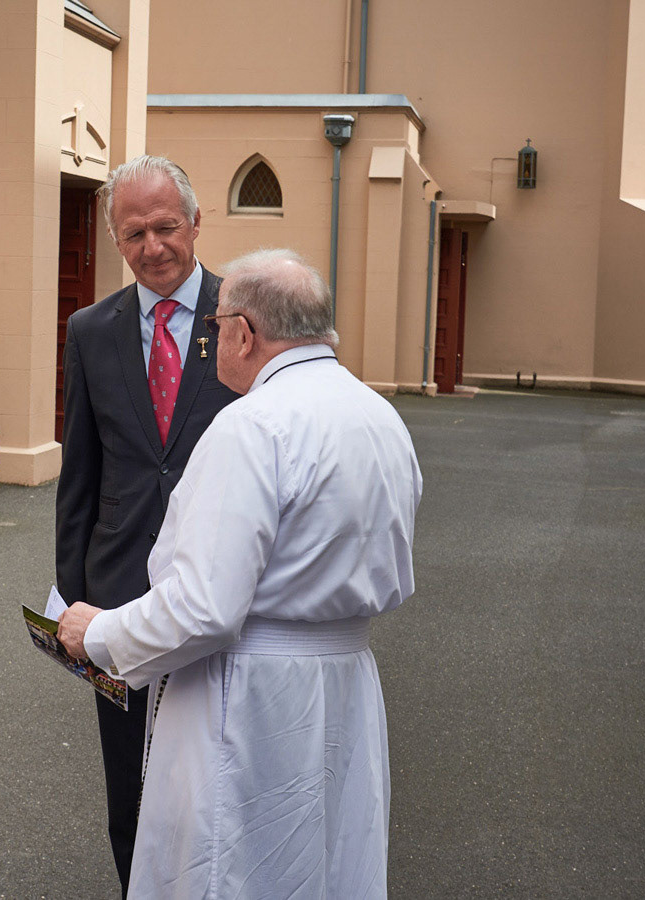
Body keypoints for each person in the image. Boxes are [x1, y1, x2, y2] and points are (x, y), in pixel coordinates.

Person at [58, 249, 423, 898]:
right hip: (346, 681)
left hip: (249, 694)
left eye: (216, 326)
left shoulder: (253, 425)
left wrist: (101, 633)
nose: (212, 339)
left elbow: (204, 608)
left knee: (235, 866)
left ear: (244, 332)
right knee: (330, 857)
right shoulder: (380, 416)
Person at [54, 154, 240, 892]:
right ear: (115, 240)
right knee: (129, 782)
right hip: (119, 589)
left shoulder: (246, 315)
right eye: (134, 234)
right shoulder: (90, 329)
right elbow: (81, 473)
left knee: (215, 769)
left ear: (196, 222)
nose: (153, 247)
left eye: (166, 227)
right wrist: (70, 599)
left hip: (222, 585)